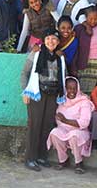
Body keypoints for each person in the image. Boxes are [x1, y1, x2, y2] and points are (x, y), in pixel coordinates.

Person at [21, 29, 66, 172]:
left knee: (47, 125)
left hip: (53, 95)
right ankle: (30, 158)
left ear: (58, 42)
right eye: (48, 39)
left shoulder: (60, 57)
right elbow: (24, 73)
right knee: (35, 126)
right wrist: (25, 91)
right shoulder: (36, 54)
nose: (51, 42)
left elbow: (63, 75)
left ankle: (41, 156)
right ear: (44, 41)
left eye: (54, 39)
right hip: (37, 93)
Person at [47, 77, 95, 174]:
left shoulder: (84, 102)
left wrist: (65, 120)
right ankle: (63, 160)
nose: (72, 91)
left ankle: (79, 162)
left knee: (74, 135)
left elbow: (84, 123)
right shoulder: (62, 100)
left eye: (74, 88)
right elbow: (58, 119)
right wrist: (62, 121)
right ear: (65, 89)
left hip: (81, 132)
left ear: (78, 88)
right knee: (54, 133)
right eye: (69, 88)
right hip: (64, 130)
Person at [71, 6, 97, 94]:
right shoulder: (79, 29)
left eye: (95, 19)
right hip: (85, 66)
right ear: (85, 18)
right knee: (85, 93)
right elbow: (74, 49)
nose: (93, 21)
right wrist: (74, 66)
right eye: (90, 18)